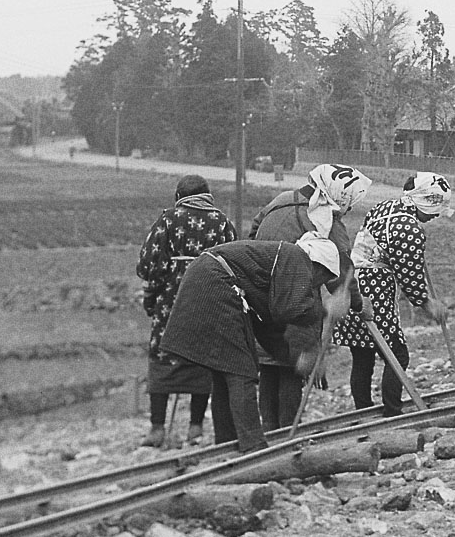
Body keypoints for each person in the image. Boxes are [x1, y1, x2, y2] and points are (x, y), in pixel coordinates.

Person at [157, 234, 350, 451]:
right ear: (318, 267)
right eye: (321, 280)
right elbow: (290, 309)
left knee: (225, 371)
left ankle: (227, 444)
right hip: (216, 283)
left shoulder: (277, 270)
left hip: (206, 280)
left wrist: (296, 360)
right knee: (241, 371)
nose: (314, 286)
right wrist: (327, 310)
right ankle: (253, 447)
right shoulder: (296, 257)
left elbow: (268, 328)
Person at [248, 163, 371, 428]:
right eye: (349, 203)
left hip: (261, 292)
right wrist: (359, 304)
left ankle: (269, 433)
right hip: (297, 297)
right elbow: (342, 268)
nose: (348, 210)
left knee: (269, 363)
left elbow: (252, 233)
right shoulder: (325, 218)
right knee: (294, 366)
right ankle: (285, 436)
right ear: (340, 196)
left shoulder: (280, 201)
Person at [335, 172, 449, 416]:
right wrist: (427, 303)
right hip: (374, 289)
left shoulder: (384, 207)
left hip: (352, 284)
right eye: (435, 207)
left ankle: (363, 411)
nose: (437, 215)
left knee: (363, 354)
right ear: (424, 201)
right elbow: (410, 276)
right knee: (397, 354)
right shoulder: (408, 229)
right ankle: (392, 412)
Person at [136, 174, 236, 447]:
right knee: (201, 359)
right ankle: (195, 428)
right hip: (208, 301)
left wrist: (152, 294)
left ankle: (157, 429)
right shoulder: (222, 222)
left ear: (180, 195)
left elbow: (148, 263)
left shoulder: (168, 219)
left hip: (170, 302)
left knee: (162, 355)